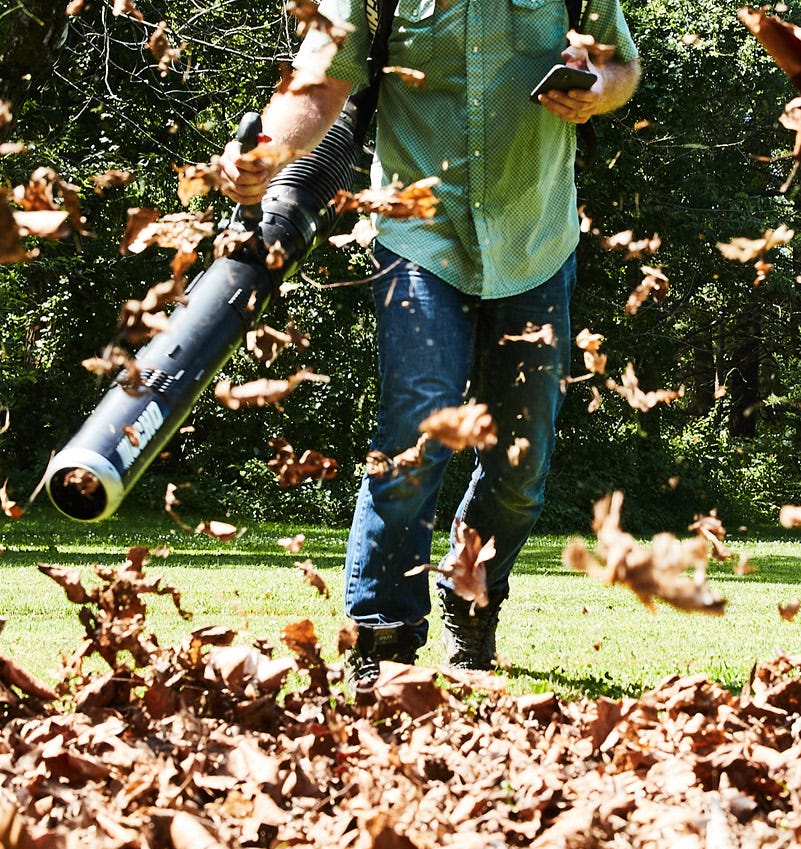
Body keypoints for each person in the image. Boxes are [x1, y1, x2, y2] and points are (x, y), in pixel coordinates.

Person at [221, 0, 639, 681]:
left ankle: (471, 599)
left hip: (534, 237)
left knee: (519, 465)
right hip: (420, 238)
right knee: (416, 430)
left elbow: (622, 65)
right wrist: (269, 152)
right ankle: (382, 641)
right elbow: (321, 82)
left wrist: (598, 90)